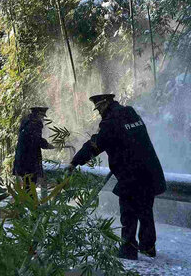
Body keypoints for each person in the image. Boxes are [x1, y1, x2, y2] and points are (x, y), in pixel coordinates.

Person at [66, 94, 166, 260]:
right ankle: (148, 247)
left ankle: (128, 250)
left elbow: (95, 144)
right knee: (145, 211)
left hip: (132, 175)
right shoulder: (130, 112)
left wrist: (74, 162)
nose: (98, 112)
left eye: (99, 108)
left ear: (106, 103)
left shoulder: (110, 122)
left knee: (128, 213)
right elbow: (131, 139)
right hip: (150, 171)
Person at [13, 107, 55, 194]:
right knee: (30, 184)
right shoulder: (35, 124)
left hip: (22, 158)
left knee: (28, 184)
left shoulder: (26, 122)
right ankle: (30, 204)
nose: (43, 119)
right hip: (29, 160)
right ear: (38, 115)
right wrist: (46, 145)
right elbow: (36, 139)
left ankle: (28, 204)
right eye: (42, 117)